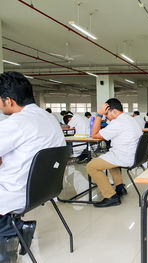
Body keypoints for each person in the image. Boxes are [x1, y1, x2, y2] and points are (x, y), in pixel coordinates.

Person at [0, 72, 65, 261]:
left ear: (9, 101)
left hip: (19, 191)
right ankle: (17, 227)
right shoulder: (49, 119)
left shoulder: (17, 123)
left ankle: (8, 240)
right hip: (45, 190)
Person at [86, 98, 142, 208]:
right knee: (110, 160)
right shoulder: (129, 119)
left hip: (124, 156)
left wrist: (99, 114)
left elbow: (94, 134)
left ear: (113, 111)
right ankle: (119, 188)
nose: (106, 117)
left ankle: (111, 196)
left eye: (106, 114)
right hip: (132, 155)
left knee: (91, 166)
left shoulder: (118, 122)